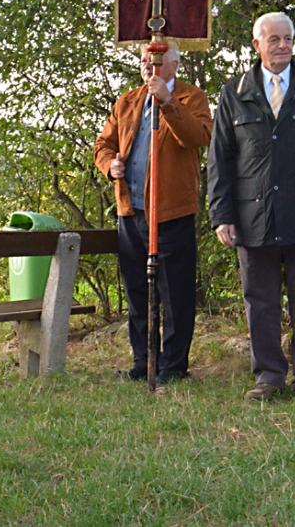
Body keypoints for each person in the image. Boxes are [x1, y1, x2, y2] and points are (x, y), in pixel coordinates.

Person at [208, 12, 295, 405]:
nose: (283, 45)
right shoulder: (234, 92)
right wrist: (222, 214)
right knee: (261, 300)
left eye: (288, 39)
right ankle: (268, 376)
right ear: (257, 45)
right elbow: (220, 160)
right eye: (275, 40)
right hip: (252, 214)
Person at [94, 42, 213, 383]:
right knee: (136, 291)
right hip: (131, 212)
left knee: (175, 292)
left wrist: (167, 100)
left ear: (173, 64)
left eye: (155, 61)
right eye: (144, 61)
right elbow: (103, 144)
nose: (148, 66)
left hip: (172, 212)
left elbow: (198, 136)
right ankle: (143, 362)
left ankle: (173, 366)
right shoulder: (128, 100)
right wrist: (110, 164)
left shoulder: (192, 97)